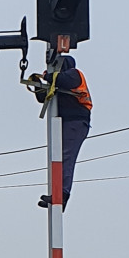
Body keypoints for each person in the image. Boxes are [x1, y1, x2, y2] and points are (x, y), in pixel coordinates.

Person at [33, 55, 92, 210]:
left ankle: (62, 194)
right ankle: (57, 193)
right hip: (65, 123)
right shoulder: (59, 85)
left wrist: (49, 76)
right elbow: (44, 98)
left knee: (66, 157)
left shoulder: (74, 74)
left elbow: (62, 79)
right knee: (57, 158)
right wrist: (38, 84)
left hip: (76, 122)